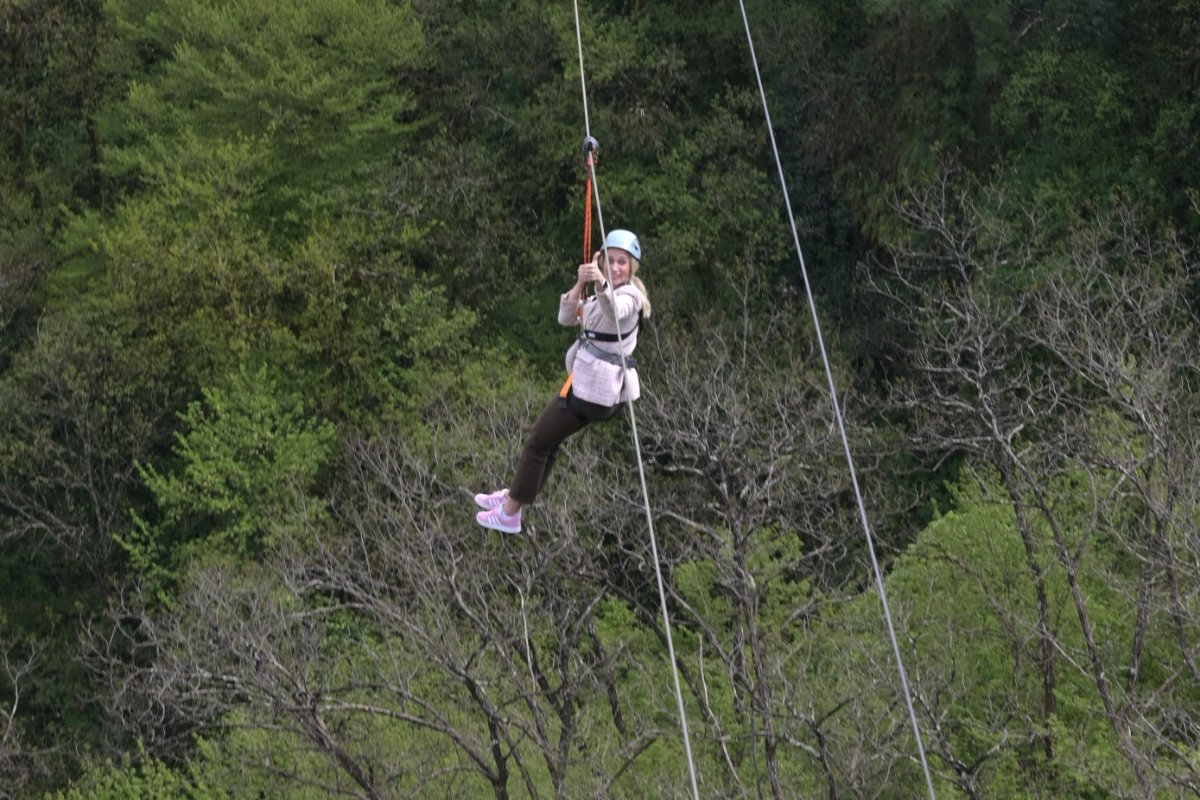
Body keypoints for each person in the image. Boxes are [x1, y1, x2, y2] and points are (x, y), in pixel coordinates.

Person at [475, 229, 652, 533]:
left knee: (536, 441)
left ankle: (510, 512)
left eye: (622, 262)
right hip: (592, 388)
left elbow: (614, 309)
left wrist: (600, 279)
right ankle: (514, 497)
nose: (615, 267)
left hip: (596, 392)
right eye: (609, 261)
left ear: (631, 267)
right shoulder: (600, 292)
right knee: (546, 442)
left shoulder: (630, 296)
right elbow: (566, 318)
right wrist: (582, 282)